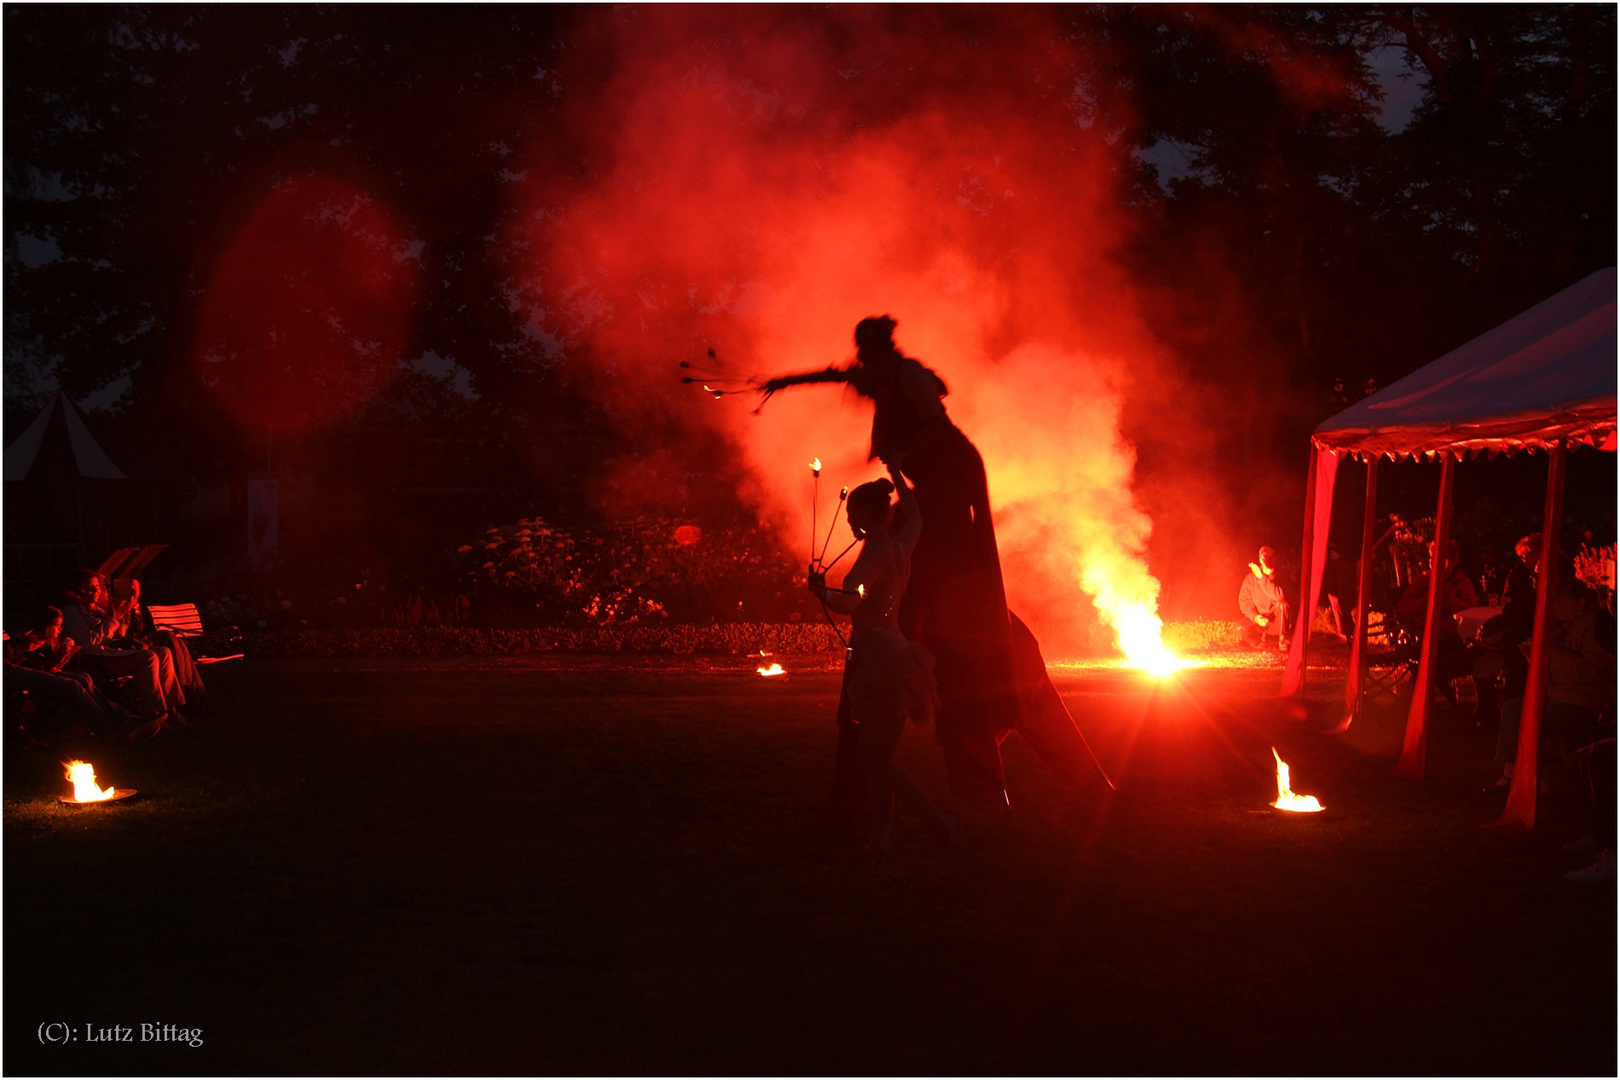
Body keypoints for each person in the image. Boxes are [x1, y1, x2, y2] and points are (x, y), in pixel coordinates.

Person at [763, 316, 1059, 801]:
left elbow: (934, 424)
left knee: (930, 554)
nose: (861, 365)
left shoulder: (909, 374)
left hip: (952, 472)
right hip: (920, 476)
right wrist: (783, 382)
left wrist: (900, 453)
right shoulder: (878, 374)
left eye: (866, 355)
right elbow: (831, 375)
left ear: (880, 351)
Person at [810, 462, 955, 851]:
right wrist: (894, 469)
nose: (847, 520)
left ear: (865, 515)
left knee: (878, 761)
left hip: (881, 665)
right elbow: (917, 517)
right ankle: (882, 836)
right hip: (891, 655)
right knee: (876, 757)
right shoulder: (899, 545)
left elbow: (849, 602)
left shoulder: (874, 556)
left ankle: (940, 825)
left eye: (850, 513)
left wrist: (821, 592)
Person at [58, 569, 184, 727]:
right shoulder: (72, 612)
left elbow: (116, 634)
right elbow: (90, 640)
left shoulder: (98, 610)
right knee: (148, 657)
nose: (96, 590)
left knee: (163, 652)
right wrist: (111, 619)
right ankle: (153, 712)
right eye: (91, 587)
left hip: (111, 655)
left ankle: (171, 710)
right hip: (94, 661)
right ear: (79, 589)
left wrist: (126, 610)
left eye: (97, 586)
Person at [5, 606, 147, 738]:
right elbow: (35, 665)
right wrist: (20, 648)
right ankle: (109, 730)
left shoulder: (47, 640)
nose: (61, 629)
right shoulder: (32, 641)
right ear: (47, 627)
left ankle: (123, 718)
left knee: (84, 677)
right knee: (74, 686)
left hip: (34, 670)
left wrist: (66, 649)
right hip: (24, 674)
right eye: (57, 626)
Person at [1238, 546, 1290, 650]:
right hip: (1260, 621)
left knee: (1282, 605)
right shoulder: (1251, 579)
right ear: (1260, 560)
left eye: (1271, 556)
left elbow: (1279, 596)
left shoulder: (1282, 576)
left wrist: (1262, 578)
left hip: (1276, 622)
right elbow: (1244, 602)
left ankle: (1283, 640)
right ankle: (1260, 644)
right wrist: (1255, 617)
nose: (1268, 560)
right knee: (1240, 627)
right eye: (1265, 557)